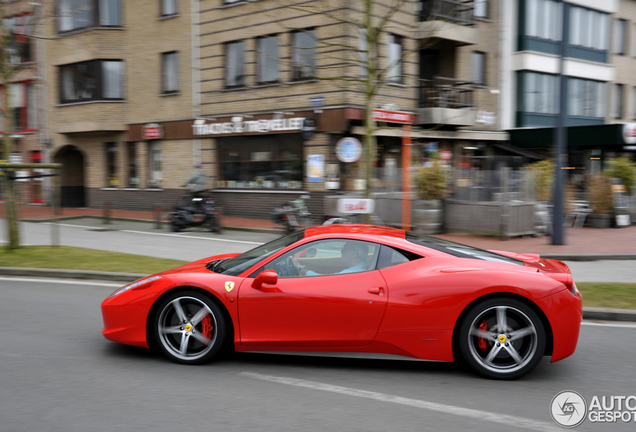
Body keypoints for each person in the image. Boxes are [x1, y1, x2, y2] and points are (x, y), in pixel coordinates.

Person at [292, 241, 368, 276]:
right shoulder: (362, 268)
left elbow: (322, 280)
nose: (341, 251)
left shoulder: (351, 273)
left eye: (344, 249)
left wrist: (301, 268)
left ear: (354, 254)